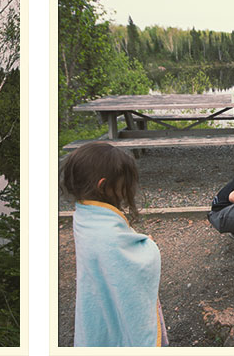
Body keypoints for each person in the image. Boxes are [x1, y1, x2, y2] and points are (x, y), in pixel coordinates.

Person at [60, 142, 168, 347]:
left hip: (99, 299)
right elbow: (136, 263)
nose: (127, 191)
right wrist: (149, 247)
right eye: (123, 185)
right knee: (121, 334)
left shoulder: (84, 215)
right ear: (104, 186)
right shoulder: (104, 232)